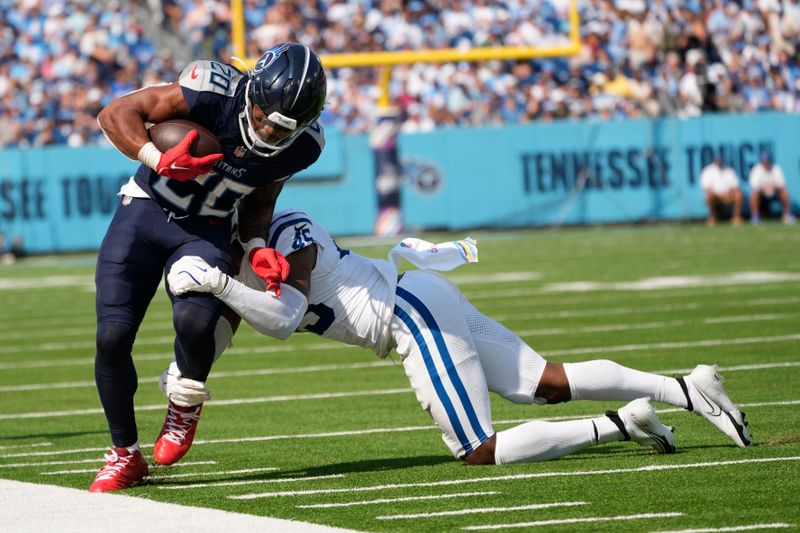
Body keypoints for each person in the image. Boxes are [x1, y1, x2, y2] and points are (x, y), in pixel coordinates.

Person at [164, 208, 752, 469]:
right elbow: (234, 324)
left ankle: (625, 422)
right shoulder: (241, 253)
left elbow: (286, 318)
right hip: (421, 295)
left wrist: (215, 282)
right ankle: (686, 388)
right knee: (548, 383)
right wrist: (187, 373)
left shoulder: (289, 229)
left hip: (409, 311)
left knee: (480, 450)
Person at [89, 43, 327, 493]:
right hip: (145, 212)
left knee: (196, 320)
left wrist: (256, 245)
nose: (267, 132)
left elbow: (260, 200)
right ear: (253, 92)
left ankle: (185, 400)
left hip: (208, 228)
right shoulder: (211, 92)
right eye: (261, 117)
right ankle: (125, 454)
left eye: (281, 130)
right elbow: (115, 112)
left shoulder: (303, 146)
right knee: (112, 336)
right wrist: (155, 158)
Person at [748, 153, 796, 225]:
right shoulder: (756, 169)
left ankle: (787, 214)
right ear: (761, 162)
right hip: (762, 195)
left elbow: (781, 185)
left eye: (767, 161)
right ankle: (755, 216)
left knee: (784, 192)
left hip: (775, 193)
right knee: (754, 194)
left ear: (770, 161)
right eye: (764, 162)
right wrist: (765, 188)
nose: (766, 163)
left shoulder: (776, 168)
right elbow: (754, 186)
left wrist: (772, 187)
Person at [699, 155, 743, 226]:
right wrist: (720, 195)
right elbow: (708, 189)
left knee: (738, 194)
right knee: (709, 196)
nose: (718, 163)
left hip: (728, 195)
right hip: (716, 196)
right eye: (717, 161)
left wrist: (728, 193)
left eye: (720, 161)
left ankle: (736, 216)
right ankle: (712, 216)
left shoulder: (729, 171)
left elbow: (735, 187)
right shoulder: (708, 171)